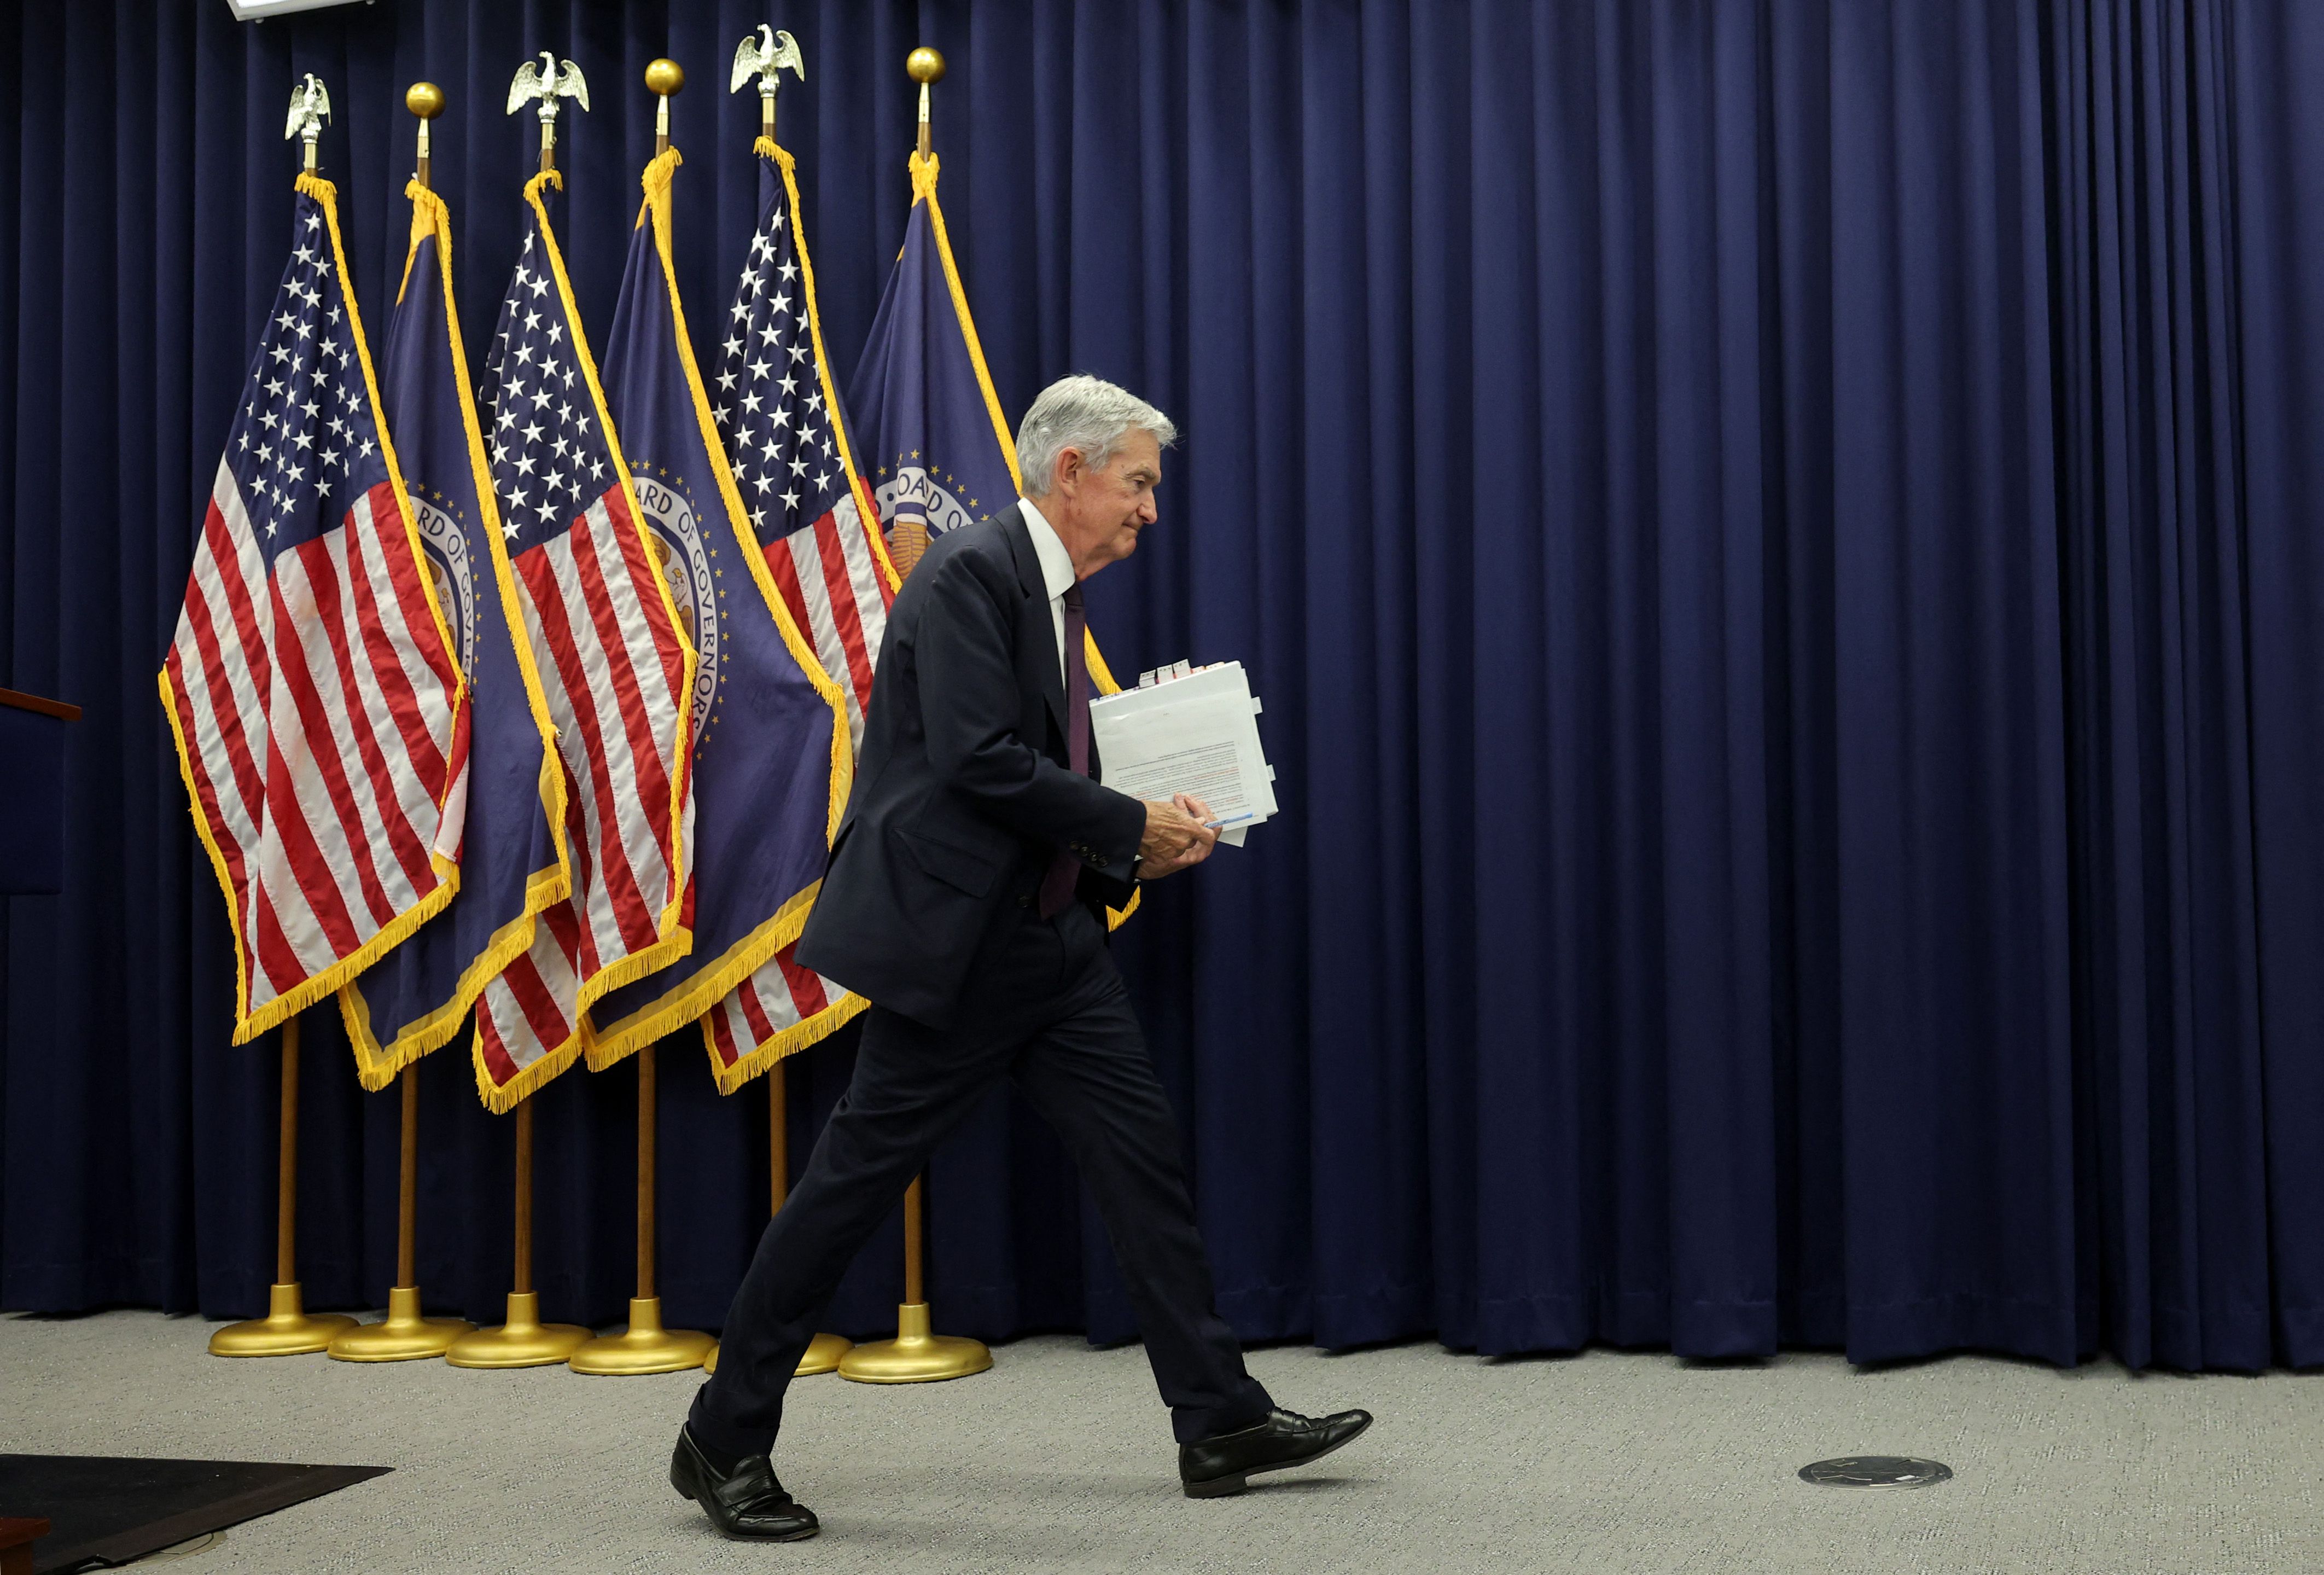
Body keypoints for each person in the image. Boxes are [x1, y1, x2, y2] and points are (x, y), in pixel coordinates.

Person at [668, 375, 1371, 1541]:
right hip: (959, 950)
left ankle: (1218, 1418)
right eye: (1139, 483)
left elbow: (1021, 780)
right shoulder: (969, 577)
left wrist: (1126, 859)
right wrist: (1124, 825)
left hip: (1048, 940)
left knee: (1142, 1167)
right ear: (1074, 473)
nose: (1151, 509)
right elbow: (977, 764)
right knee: (844, 1196)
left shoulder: (1045, 589)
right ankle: (722, 1438)